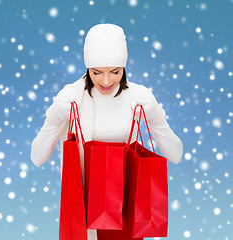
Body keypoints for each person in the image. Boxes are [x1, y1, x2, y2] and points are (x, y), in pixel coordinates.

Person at [30, 23, 183, 240]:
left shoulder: (139, 97)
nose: (106, 81)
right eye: (96, 72)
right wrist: (54, 117)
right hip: (84, 213)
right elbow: (37, 158)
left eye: (115, 71)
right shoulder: (72, 97)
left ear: (124, 67)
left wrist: (156, 115)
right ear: (87, 68)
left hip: (127, 210)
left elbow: (175, 155)